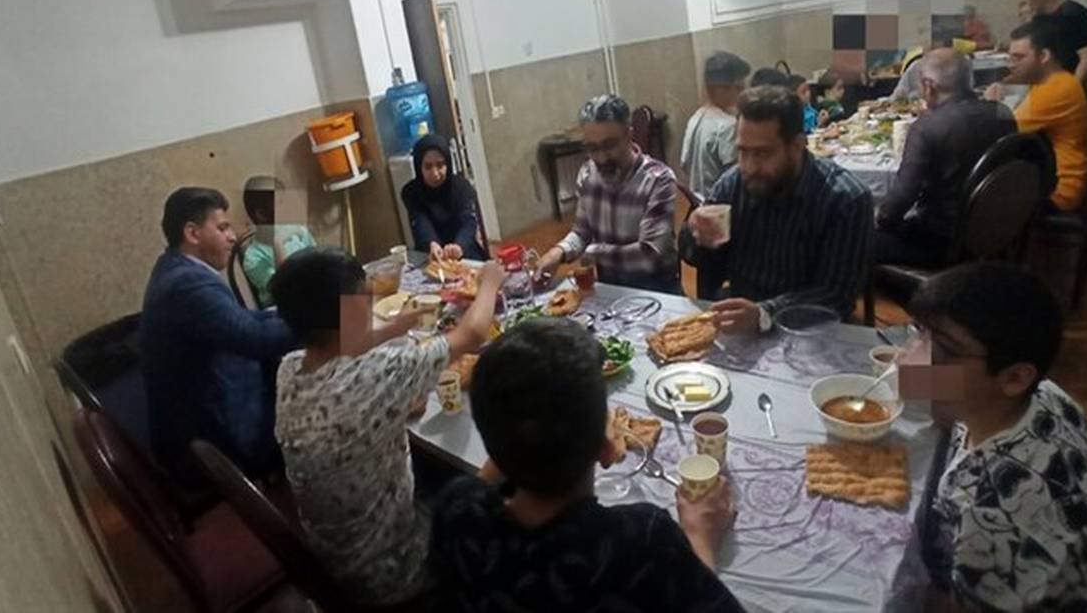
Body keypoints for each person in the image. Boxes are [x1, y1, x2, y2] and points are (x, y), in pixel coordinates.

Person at [431, 317, 744, 613]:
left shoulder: (457, 509)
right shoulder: (642, 541)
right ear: (607, 450)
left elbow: (484, 478)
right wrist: (700, 537)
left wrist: (516, 430)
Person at [271, 247, 505, 607]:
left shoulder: (289, 368)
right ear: (349, 311)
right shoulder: (375, 372)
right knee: (497, 474)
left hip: (335, 558)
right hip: (394, 570)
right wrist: (489, 280)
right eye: (365, 296)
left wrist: (400, 324)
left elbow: (352, 347)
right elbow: (473, 333)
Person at [909, 263, 1087, 612]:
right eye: (919, 332)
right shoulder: (1045, 394)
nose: (914, 357)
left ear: (1015, 377)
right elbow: (943, 408)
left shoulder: (989, 510)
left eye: (945, 351)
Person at [679, 86, 873, 330]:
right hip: (742, 324)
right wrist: (694, 231)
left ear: (798, 145)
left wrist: (764, 314)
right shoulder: (733, 184)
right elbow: (699, 260)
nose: (749, 167)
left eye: (762, 154)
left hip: (812, 332)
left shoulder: (845, 199)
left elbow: (836, 295)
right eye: (742, 152)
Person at [139, 187, 295, 486]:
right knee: (326, 404)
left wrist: (288, 314)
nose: (233, 237)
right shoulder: (186, 285)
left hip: (208, 413)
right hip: (213, 438)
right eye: (222, 228)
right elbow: (255, 338)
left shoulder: (176, 269)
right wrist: (325, 319)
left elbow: (242, 321)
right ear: (192, 233)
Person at [875, 49, 1016, 267]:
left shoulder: (926, 127)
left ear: (929, 86)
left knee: (856, 237)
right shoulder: (1003, 113)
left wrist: (877, 218)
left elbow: (900, 202)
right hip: (997, 233)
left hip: (943, 243)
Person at [535, 95, 680, 293]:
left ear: (629, 135)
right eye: (592, 148)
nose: (602, 158)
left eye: (610, 145)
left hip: (657, 292)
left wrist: (594, 252)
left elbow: (649, 255)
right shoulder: (588, 174)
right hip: (611, 291)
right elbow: (582, 232)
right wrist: (557, 253)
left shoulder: (658, 179)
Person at [984, 17, 1087, 211]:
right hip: (1052, 176)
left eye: (1019, 57)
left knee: (978, 199)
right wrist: (1008, 84)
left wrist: (993, 103)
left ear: (1043, 56)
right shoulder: (1057, 80)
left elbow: (1004, 132)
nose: (1011, 64)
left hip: (1058, 191)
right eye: (1010, 57)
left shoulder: (1056, 90)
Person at [401, 134, 486, 262]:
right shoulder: (411, 192)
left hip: (464, 251)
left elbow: (469, 221)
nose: (435, 173)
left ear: (448, 164)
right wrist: (432, 242)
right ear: (419, 167)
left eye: (440, 165)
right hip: (430, 254)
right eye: (428, 167)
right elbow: (420, 220)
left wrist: (459, 245)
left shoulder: (462, 187)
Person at [681, 51, 750, 200]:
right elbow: (736, 178)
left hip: (697, 203)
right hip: (721, 205)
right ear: (720, 88)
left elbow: (684, 164)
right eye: (739, 87)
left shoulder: (695, 118)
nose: (743, 93)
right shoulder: (727, 126)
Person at [240, 175, 316, 307]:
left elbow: (320, 263)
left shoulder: (297, 231)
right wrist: (278, 243)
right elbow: (286, 288)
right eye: (280, 204)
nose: (288, 210)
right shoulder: (253, 258)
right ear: (261, 215)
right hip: (285, 309)